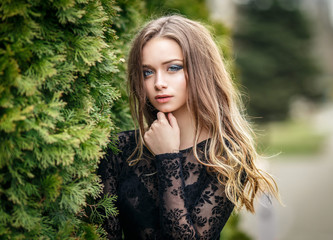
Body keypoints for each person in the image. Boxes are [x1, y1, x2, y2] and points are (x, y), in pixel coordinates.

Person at [98, 15, 279, 240]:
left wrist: (167, 158)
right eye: (148, 72)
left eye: (173, 68)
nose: (158, 82)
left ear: (200, 70)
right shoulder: (120, 149)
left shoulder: (225, 157)